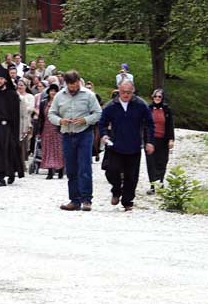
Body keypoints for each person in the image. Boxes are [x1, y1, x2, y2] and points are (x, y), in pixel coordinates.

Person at [50, 70, 103, 212]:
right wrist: (60, 121)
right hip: (67, 134)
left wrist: (85, 120)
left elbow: (98, 113)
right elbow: (51, 114)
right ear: (66, 84)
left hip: (84, 134)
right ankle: (74, 200)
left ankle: (86, 199)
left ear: (79, 81)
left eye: (76, 84)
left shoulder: (89, 95)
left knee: (85, 167)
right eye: (71, 85)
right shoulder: (59, 96)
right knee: (71, 168)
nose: (74, 87)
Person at [99, 79, 154, 211]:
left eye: (128, 92)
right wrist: (104, 135)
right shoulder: (111, 106)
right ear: (119, 90)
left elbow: (149, 124)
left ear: (133, 91)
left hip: (134, 145)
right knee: (112, 171)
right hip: (115, 145)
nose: (126, 95)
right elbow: (102, 123)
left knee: (131, 176)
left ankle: (127, 201)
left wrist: (149, 141)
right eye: (123, 92)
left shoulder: (140, 105)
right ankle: (116, 190)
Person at [0, 73, 22, 186]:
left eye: (1, 78)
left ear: (6, 80)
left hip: (9, 127)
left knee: (10, 150)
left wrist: (16, 129)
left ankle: (11, 173)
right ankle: (0, 177)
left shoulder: (12, 95)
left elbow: (16, 114)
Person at [145, 89, 175, 194]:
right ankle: (152, 185)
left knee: (162, 161)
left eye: (159, 97)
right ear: (152, 97)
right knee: (151, 162)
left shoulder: (167, 110)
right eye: (155, 96)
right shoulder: (148, 109)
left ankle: (161, 181)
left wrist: (171, 139)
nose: (157, 98)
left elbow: (170, 125)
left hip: (163, 139)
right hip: (151, 140)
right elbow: (144, 125)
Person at [36, 84, 64, 179]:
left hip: (57, 129)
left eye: (55, 91)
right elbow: (41, 117)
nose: (53, 92)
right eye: (51, 91)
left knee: (58, 150)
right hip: (46, 128)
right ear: (48, 92)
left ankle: (60, 169)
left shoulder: (60, 103)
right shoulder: (44, 102)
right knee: (48, 150)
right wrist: (39, 131)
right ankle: (50, 171)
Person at [16, 78, 36, 176]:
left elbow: (30, 108)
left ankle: (23, 162)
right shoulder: (15, 95)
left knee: (24, 144)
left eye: (22, 85)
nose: (20, 87)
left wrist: (22, 105)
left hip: (26, 121)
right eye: (19, 85)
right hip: (16, 121)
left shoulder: (30, 96)